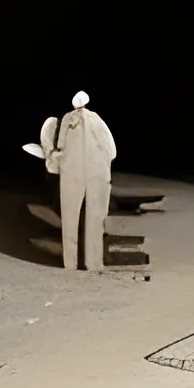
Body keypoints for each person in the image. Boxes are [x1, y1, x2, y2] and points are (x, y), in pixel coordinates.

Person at [24, 91, 117, 271]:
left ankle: (71, 264)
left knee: (70, 218)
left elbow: (60, 147)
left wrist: (53, 160)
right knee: (96, 219)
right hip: (98, 172)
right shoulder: (97, 120)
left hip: (71, 173)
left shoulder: (66, 120)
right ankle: (94, 263)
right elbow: (111, 150)